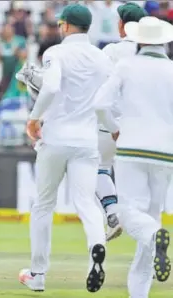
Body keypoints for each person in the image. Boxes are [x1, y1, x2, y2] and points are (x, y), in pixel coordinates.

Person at [18, 4, 112, 293]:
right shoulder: (101, 57)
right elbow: (106, 100)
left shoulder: (55, 53)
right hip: (87, 139)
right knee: (87, 202)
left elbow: (51, 88)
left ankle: (38, 275)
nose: (58, 28)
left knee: (44, 204)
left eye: (61, 24)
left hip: (56, 137)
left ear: (67, 25)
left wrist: (34, 119)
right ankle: (96, 247)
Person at [94, 16, 173, 298]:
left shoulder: (127, 66)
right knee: (150, 216)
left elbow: (101, 104)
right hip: (165, 153)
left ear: (140, 40)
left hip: (131, 147)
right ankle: (138, 294)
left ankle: (155, 237)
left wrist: (115, 129)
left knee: (128, 215)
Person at [97, 2, 148, 242]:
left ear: (122, 24)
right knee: (140, 194)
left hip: (109, 126)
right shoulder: (151, 55)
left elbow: (97, 91)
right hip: (141, 129)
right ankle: (148, 235)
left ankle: (111, 212)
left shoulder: (111, 51)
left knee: (98, 168)